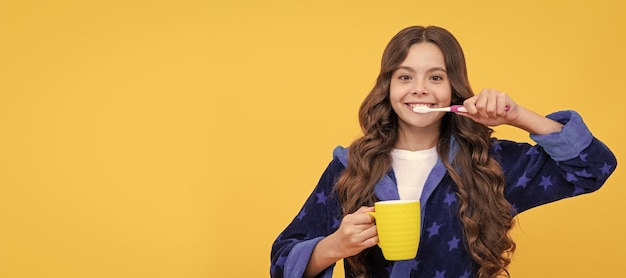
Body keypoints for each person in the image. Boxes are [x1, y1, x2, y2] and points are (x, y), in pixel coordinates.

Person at [269, 25, 617, 278]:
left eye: (435, 78)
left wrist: (518, 116)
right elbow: (281, 262)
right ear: (387, 87)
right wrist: (334, 246)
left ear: (453, 89)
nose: (419, 89)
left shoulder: (489, 164)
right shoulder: (350, 167)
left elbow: (594, 168)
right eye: (405, 77)